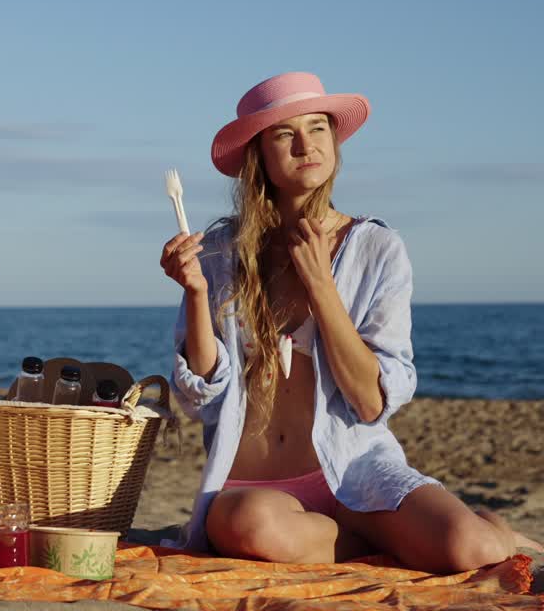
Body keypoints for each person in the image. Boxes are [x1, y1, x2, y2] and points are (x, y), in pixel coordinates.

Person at [160, 71, 542, 572]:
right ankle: (375, 543)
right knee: (249, 528)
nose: (306, 145)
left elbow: (370, 403)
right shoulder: (218, 252)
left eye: (318, 128)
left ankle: (488, 526)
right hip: (254, 487)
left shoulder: (378, 249)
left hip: (357, 473)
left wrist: (321, 285)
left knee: (472, 549)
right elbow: (198, 399)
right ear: (259, 154)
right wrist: (196, 293)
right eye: (284, 133)